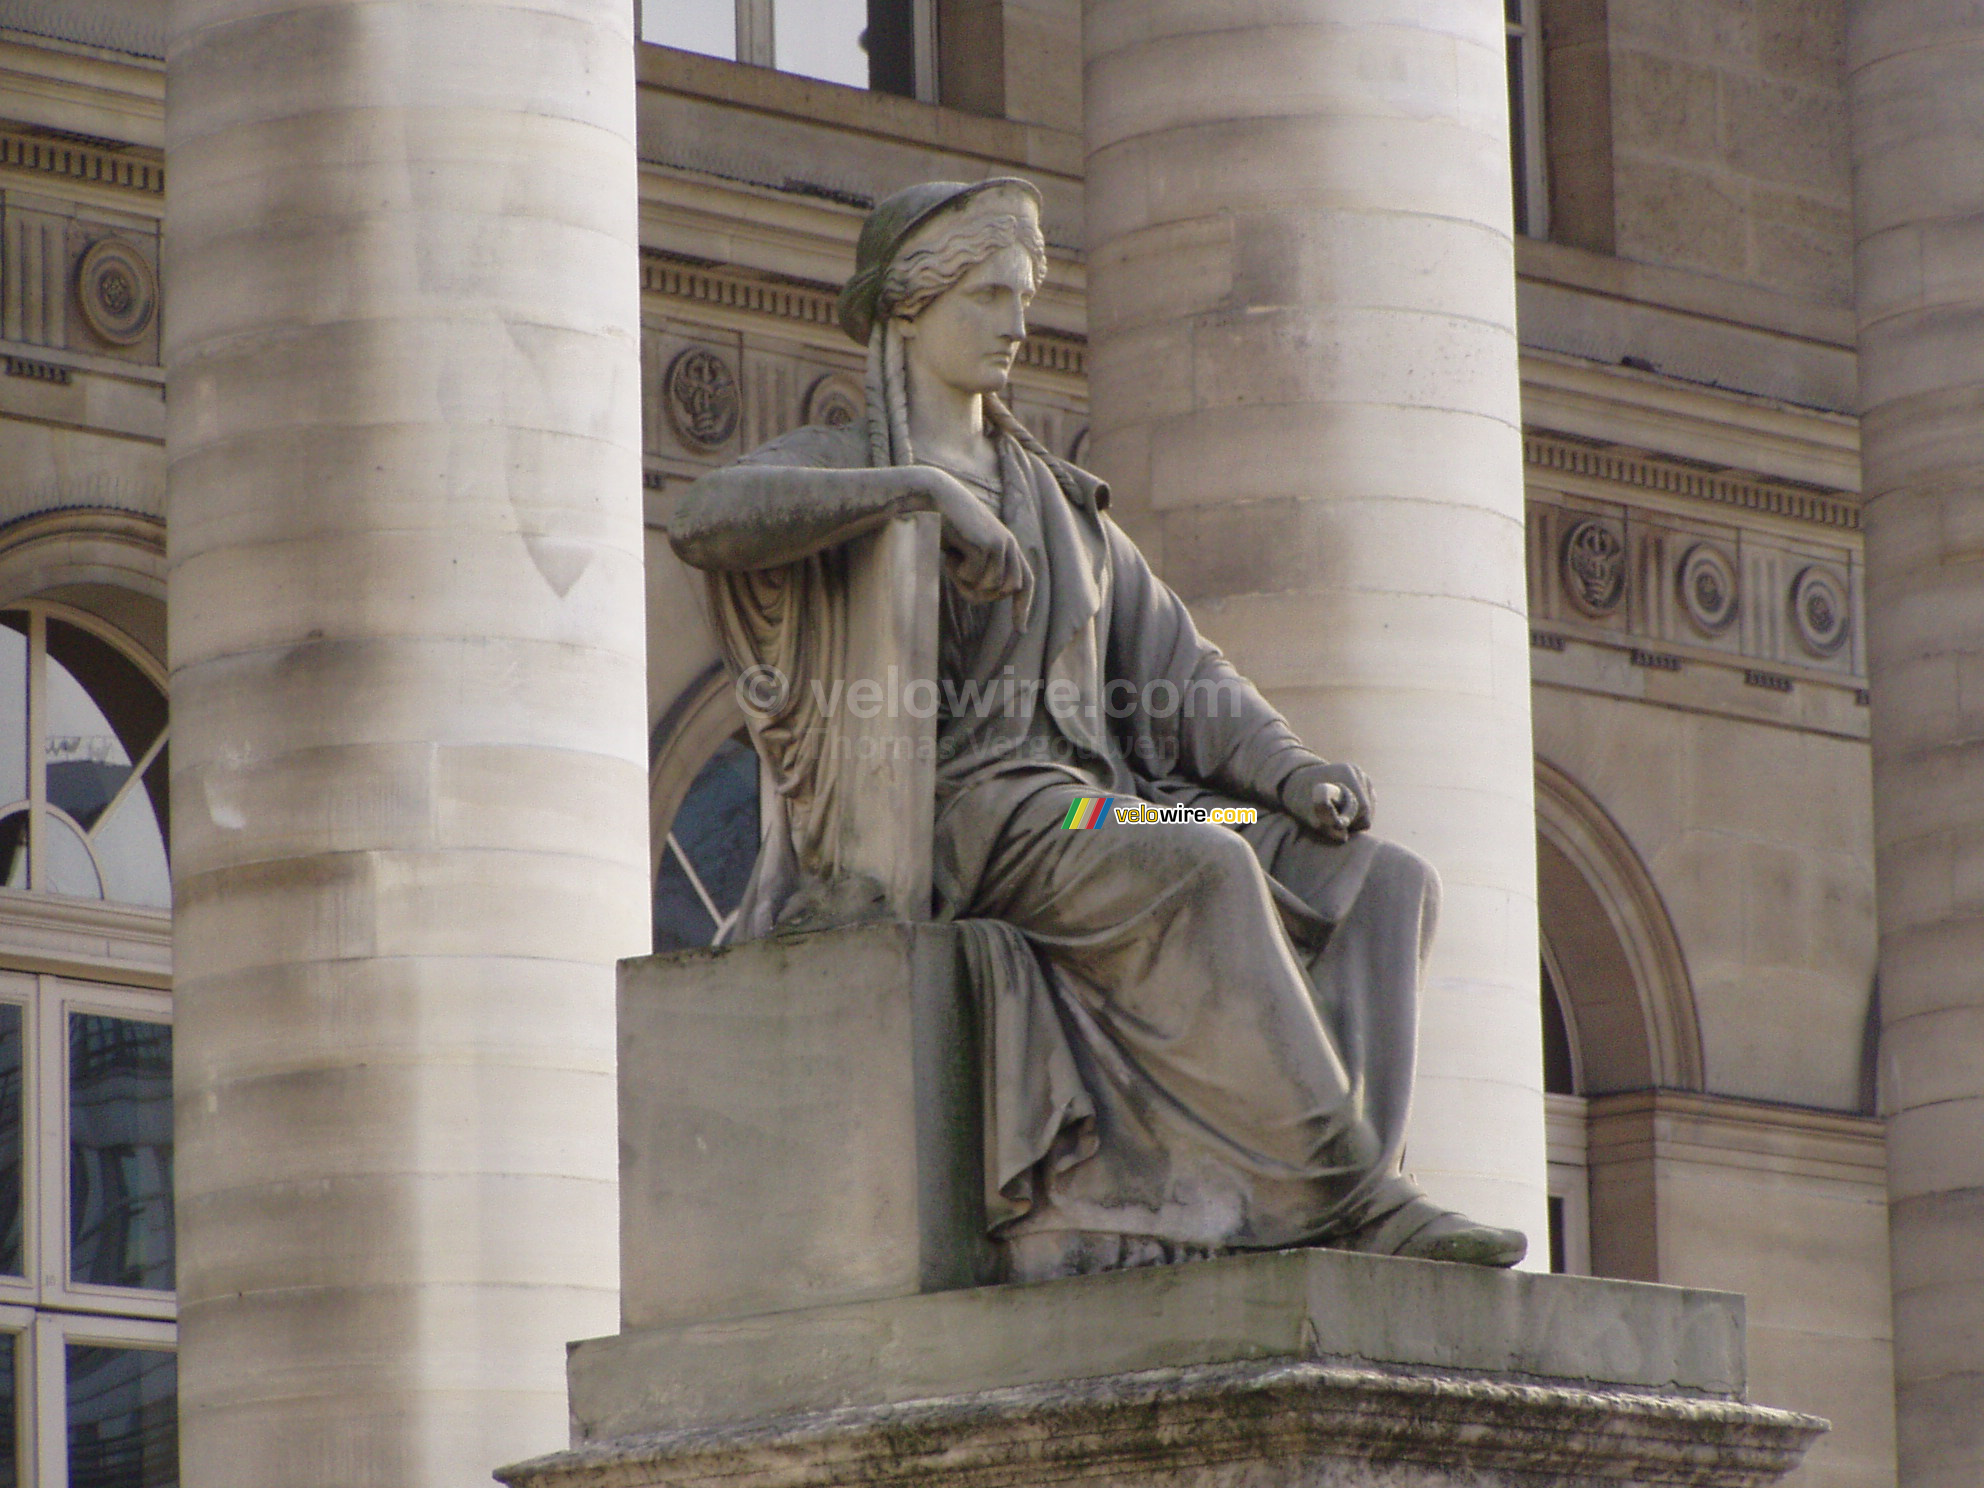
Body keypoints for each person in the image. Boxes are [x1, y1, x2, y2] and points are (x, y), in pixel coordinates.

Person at [669, 177, 1526, 1275]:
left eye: (1021, 296)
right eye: (985, 296)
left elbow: (1185, 670)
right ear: (907, 308)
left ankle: (1312, 1194)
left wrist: (1291, 769)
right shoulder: (840, 467)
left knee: (1376, 877)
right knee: (1200, 863)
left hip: (1106, 800)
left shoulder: (1061, 506)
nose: (1017, 324)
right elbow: (705, 519)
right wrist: (915, 494)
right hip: (980, 811)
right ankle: (1345, 1191)